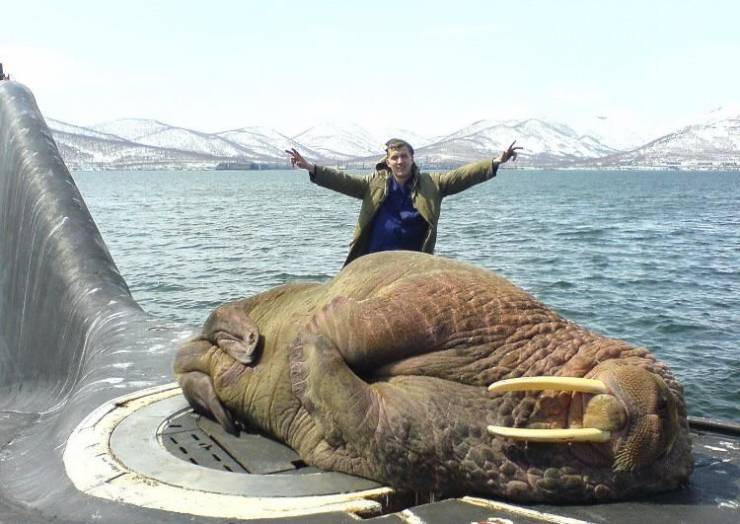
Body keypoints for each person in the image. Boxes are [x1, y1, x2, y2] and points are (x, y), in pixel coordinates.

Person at [286, 138, 522, 266]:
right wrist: (311, 168)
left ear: (412, 158)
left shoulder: (433, 184)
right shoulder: (373, 184)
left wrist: (495, 161)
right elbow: (342, 180)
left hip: (413, 263)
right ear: (388, 162)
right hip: (373, 261)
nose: (400, 161)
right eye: (395, 157)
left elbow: (462, 175)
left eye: (404, 156)